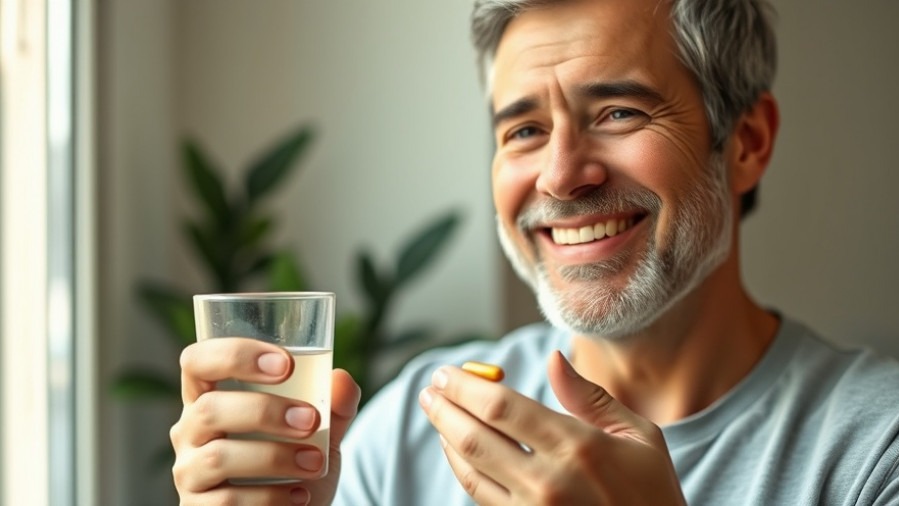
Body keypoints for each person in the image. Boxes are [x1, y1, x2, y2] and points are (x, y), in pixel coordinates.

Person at [171, 0, 899, 504]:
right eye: (522, 130)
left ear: (746, 142)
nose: (558, 174)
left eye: (617, 112)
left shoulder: (876, 451)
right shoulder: (409, 433)